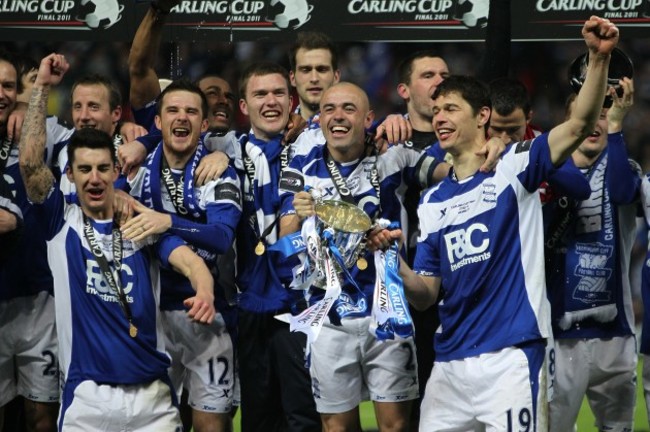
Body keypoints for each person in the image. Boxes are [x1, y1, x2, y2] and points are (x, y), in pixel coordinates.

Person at [372, 16, 620, 430]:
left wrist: (597, 59)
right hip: (449, 363)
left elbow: (577, 126)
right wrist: (393, 261)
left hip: (511, 356)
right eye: (435, 111)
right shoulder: (432, 201)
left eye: (451, 108)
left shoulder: (513, 165)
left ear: (482, 115)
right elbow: (425, 295)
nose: (439, 118)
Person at [19, 121, 216, 430]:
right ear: (69, 175)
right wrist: (43, 85)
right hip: (86, 399)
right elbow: (30, 164)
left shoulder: (141, 223)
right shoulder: (61, 222)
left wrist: (204, 291)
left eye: (102, 168)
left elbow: (192, 264)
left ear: (115, 172)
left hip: (152, 399)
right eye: (84, 169)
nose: (94, 178)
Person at [121, 78, 242, 432]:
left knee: (212, 425)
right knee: (153, 424)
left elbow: (220, 237)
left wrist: (165, 221)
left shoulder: (218, 170)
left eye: (191, 111)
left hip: (207, 316)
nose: (182, 118)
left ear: (204, 125)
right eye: (172, 110)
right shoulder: (135, 170)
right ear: (157, 123)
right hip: (150, 317)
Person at [546, 78, 640, 431]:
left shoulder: (624, 167)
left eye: (604, 116)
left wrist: (617, 128)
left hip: (615, 333)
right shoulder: (548, 175)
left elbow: (620, 191)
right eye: (588, 116)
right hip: (560, 333)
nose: (596, 124)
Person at [233, 61, 321, 432]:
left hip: (302, 304)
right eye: (260, 94)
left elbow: (360, 129)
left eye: (278, 93)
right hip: (249, 303)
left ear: (292, 99)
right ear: (244, 106)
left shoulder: (314, 148)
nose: (270, 101)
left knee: (303, 416)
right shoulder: (226, 152)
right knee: (257, 417)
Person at [0, 50, 61, 432]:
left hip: (39, 302)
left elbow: (99, 139)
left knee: (40, 416)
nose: (2, 93)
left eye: (8, 86)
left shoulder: (42, 131)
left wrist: (31, 97)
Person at [288, 31, 341, 125]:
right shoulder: (278, 133)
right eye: (305, 70)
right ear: (292, 78)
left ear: (336, 77)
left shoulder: (360, 133)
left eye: (322, 69)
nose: (314, 78)